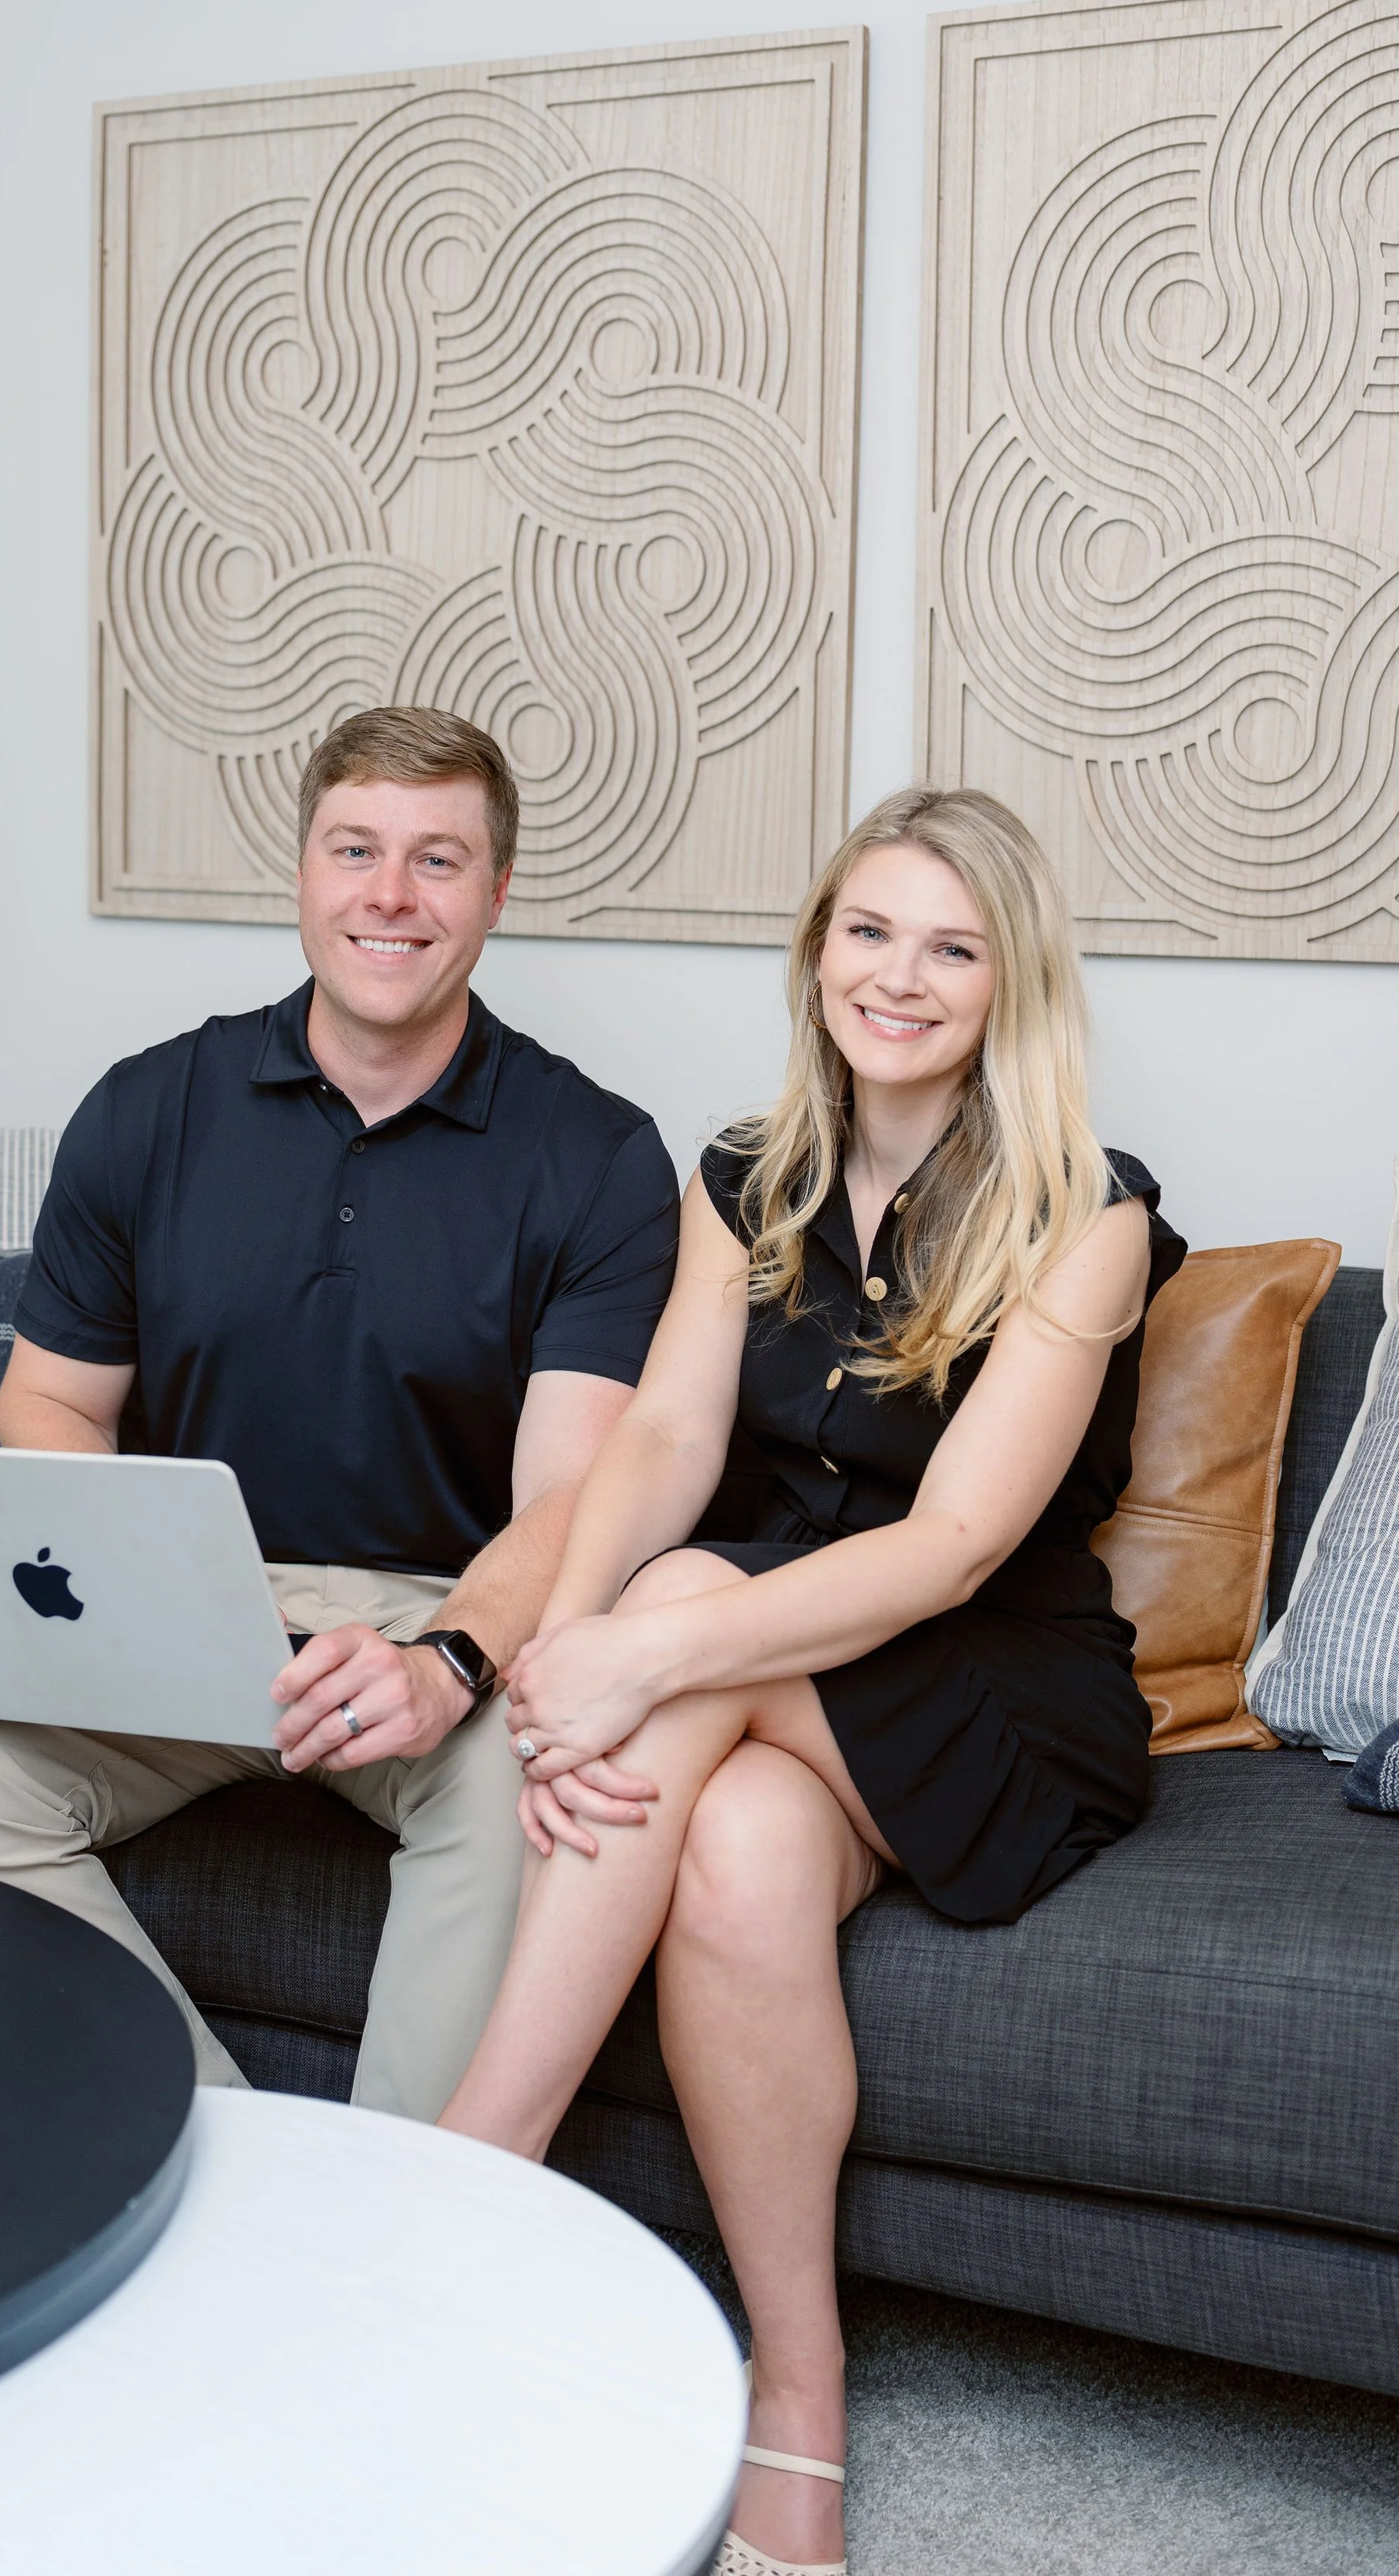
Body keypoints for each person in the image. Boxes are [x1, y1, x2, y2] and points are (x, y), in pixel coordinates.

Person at [437, 788, 1184, 2576]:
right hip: (784, 1669)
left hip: (994, 1676)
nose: (898, 975)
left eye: (950, 944)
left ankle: (476, 2167)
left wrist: (644, 1648)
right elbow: (670, 1434)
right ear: (815, 951)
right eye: (868, 931)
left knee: (692, 1616)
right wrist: (568, 1634)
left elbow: (946, 1550)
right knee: (738, 1849)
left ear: (1008, 983)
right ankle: (800, 2385)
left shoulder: (1085, 1209)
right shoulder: (741, 1178)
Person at [0, 706, 678, 2119]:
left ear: (496, 892)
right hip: (191, 1607)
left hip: (445, 1617)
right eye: (355, 848)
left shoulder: (597, 1156)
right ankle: (218, 2154)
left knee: (513, 1808)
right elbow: (47, 1400)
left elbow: (574, 1500)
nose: (389, 895)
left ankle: (400, 2211)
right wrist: (157, 1587)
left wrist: (451, 1663)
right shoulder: (145, 1109)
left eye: (438, 859)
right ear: (301, 869)